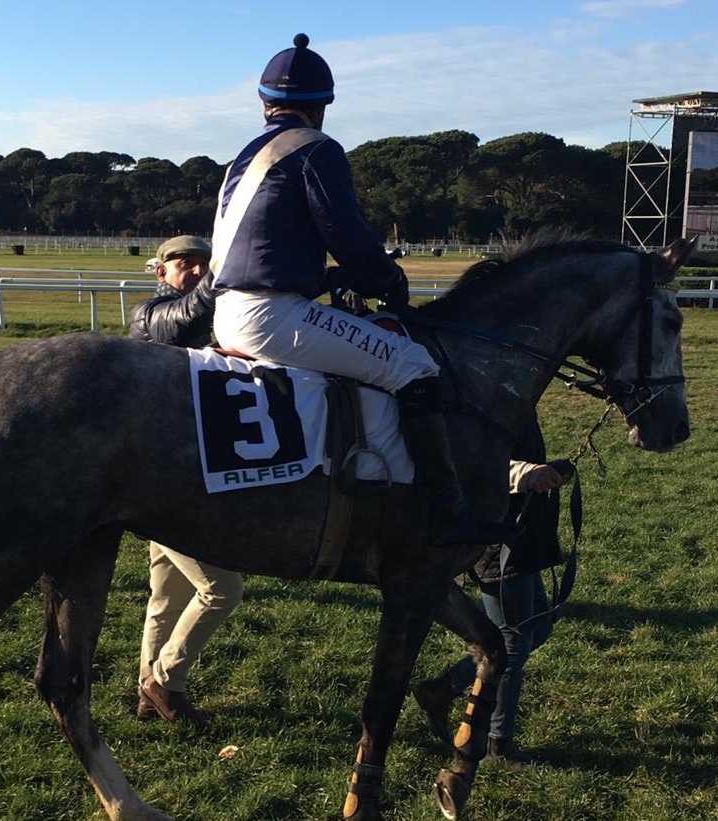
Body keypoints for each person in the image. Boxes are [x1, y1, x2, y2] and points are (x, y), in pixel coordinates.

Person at [210, 33, 517, 548]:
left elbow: (265, 253)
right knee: (415, 365)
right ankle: (446, 506)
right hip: (273, 317)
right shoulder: (316, 149)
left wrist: (332, 279)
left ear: (264, 103)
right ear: (323, 108)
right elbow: (346, 234)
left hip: (229, 308)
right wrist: (390, 282)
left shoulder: (243, 157)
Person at [129, 235, 244, 728]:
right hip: (161, 482)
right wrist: (228, 269)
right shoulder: (150, 315)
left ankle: (146, 694)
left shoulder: (208, 319)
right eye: (184, 264)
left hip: (186, 475)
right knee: (223, 588)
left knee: (167, 595)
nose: (196, 271)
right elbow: (183, 321)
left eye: (203, 264)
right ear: (161, 273)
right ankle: (166, 682)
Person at [412, 416, 571, 767]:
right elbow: (467, 460)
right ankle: (497, 743)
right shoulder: (480, 385)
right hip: (494, 536)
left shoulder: (521, 393)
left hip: (523, 532)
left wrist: (546, 471)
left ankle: (443, 688)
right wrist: (522, 473)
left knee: (539, 628)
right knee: (511, 642)